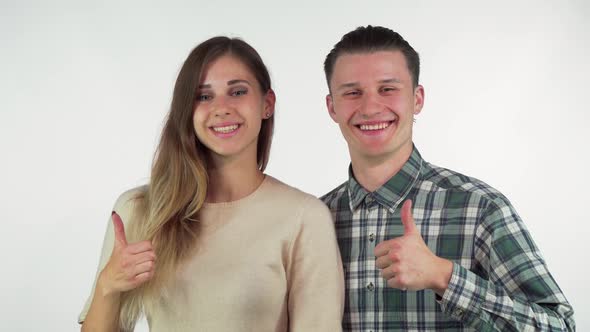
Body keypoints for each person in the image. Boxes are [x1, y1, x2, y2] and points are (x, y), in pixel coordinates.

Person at [78, 36, 344, 332]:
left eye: (237, 92)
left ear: (267, 104)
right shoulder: (140, 210)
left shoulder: (304, 217)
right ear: (187, 111)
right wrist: (107, 287)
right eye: (204, 96)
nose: (221, 108)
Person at [321, 25, 574, 331]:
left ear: (417, 99)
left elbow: (559, 326)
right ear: (332, 107)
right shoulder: (314, 221)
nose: (371, 107)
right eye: (352, 92)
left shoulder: (480, 208)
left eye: (388, 89)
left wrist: (444, 277)